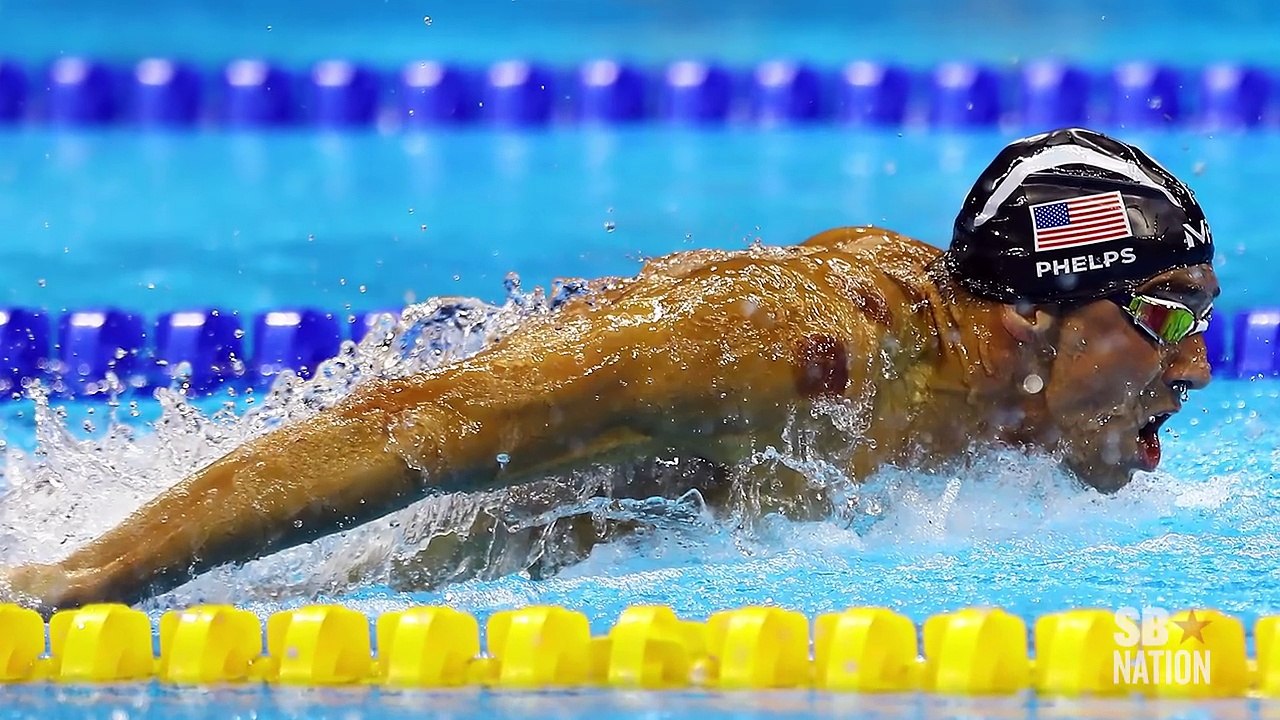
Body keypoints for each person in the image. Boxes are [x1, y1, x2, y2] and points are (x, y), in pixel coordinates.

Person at [0, 127, 1218, 612]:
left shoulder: (1013, 430)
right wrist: (84, 580)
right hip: (377, 562)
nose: (1202, 368)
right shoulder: (795, 350)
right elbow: (418, 428)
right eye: (1162, 319)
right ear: (1032, 317)